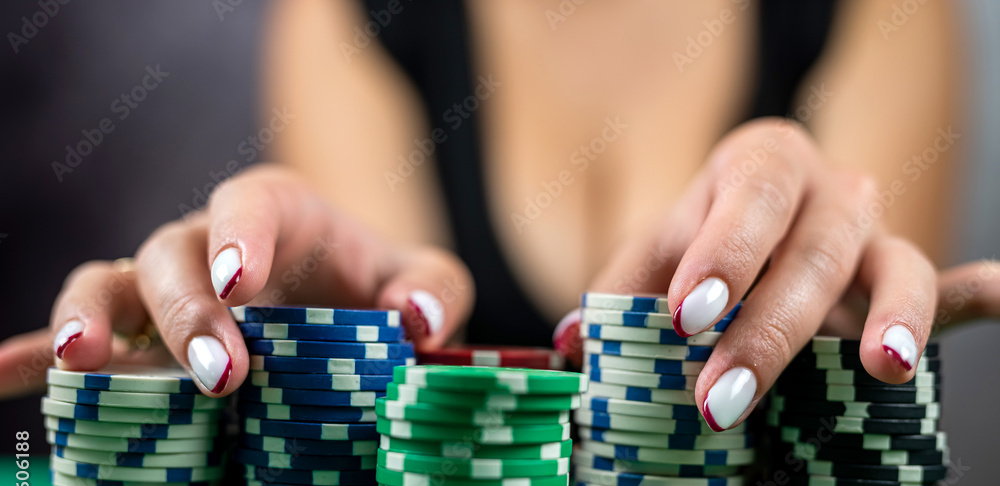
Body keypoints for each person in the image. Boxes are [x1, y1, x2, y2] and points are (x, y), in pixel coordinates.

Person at [0, 0, 997, 433]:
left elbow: (841, 441)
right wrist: (280, 359)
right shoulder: (356, 17)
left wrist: (828, 340)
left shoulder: (874, 12)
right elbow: (392, 432)